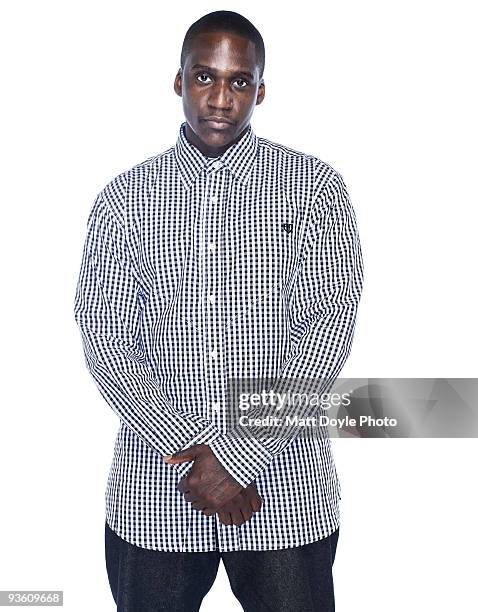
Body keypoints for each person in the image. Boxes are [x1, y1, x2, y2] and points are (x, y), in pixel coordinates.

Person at [73, 9, 364, 612]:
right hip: (153, 494)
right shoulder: (124, 198)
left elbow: (326, 330)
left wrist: (240, 455)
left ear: (261, 89)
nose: (221, 98)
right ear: (179, 81)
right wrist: (201, 456)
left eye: (238, 82)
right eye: (205, 77)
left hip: (284, 493)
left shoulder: (315, 188)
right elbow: (104, 336)